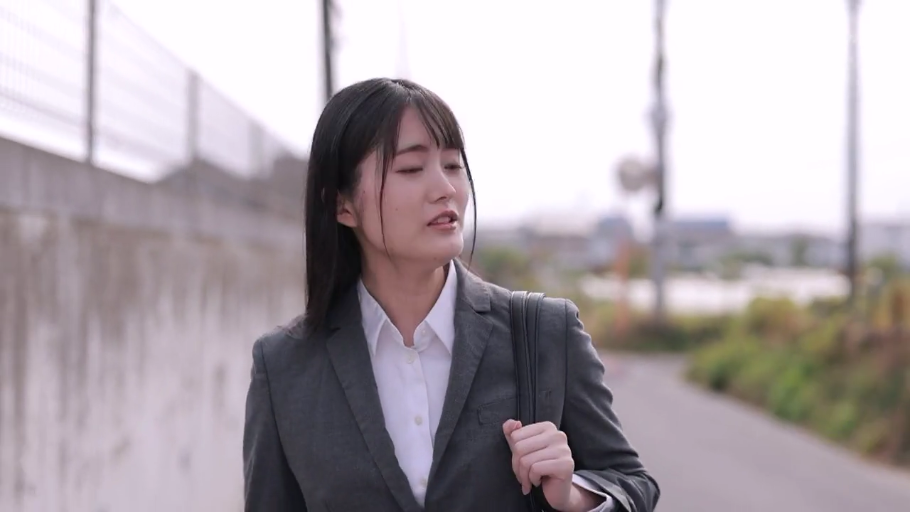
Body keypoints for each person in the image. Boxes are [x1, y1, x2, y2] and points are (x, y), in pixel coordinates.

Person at [242, 78, 659, 512]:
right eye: (411, 169)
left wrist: (574, 495)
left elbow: (633, 485)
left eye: (453, 165)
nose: (445, 188)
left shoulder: (544, 332)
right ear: (342, 205)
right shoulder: (285, 366)